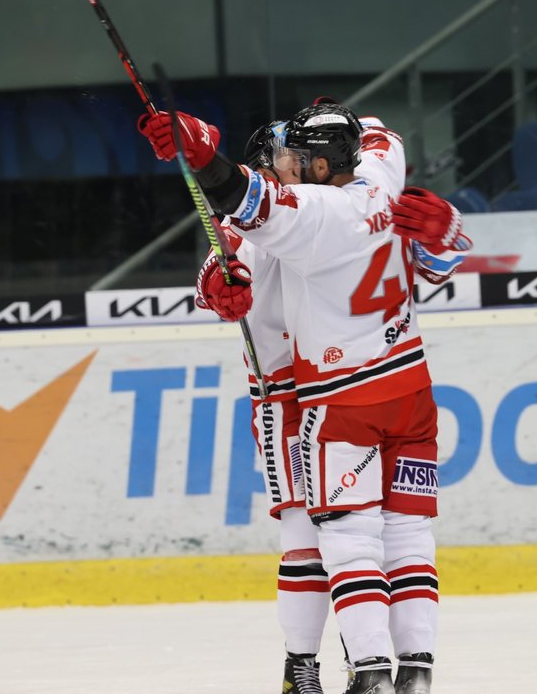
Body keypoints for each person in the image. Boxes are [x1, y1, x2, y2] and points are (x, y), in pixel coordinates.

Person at [140, 101, 471, 694]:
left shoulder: (297, 212)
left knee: (344, 539)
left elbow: (256, 200)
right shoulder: (281, 213)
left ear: (314, 165)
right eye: (277, 157)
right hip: (287, 393)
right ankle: (304, 666)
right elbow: (210, 279)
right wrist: (219, 287)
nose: (284, 165)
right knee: (309, 541)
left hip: (328, 391)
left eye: (292, 156)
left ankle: (362, 664)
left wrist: (204, 156)